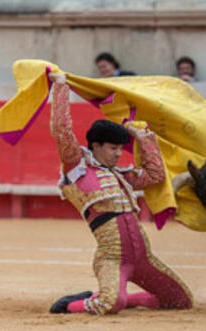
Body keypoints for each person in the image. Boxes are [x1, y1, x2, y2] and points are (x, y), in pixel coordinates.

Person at [47, 72, 193, 315]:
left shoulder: (121, 176)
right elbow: (61, 130)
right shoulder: (77, 168)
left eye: (119, 148)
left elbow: (155, 175)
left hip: (143, 258)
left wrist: (143, 139)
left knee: (180, 301)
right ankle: (69, 306)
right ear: (96, 146)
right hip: (112, 258)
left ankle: (128, 298)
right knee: (109, 304)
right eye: (113, 148)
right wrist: (61, 87)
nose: (118, 153)